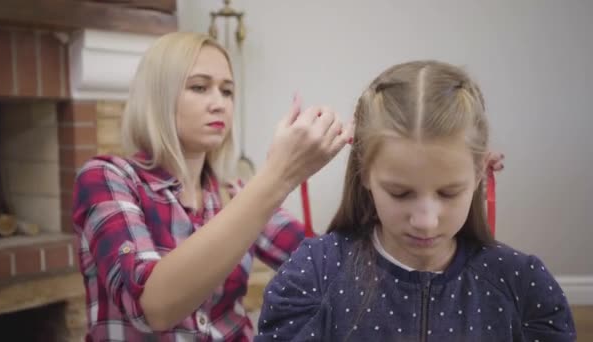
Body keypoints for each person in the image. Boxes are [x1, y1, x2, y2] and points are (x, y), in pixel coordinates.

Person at [256, 60, 576, 341]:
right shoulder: (314, 274)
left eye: (448, 193)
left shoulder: (524, 285)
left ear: (479, 173)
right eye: (400, 193)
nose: (425, 220)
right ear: (365, 173)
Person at [72, 31, 354, 341]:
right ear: (157, 96)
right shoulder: (106, 178)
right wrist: (279, 175)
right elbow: (152, 307)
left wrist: (370, 173)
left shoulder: (235, 194)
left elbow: (330, 270)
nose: (219, 104)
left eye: (227, 91)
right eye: (199, 87)